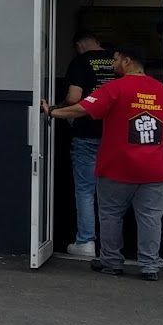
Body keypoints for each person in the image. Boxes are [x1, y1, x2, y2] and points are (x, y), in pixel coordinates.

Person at [41, 42, 163, 280]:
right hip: (153, 168)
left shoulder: (115, 88)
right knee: (150, 218)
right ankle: (149, 266)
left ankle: (112, 262)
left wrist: (52, 113)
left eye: (115, 60)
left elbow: (80, 108)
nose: (112, 64)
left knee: (111, 214)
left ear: (127, 61)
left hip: (118, 167)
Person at [48, 31, 115, 255]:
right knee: (113, 191)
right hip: (114, 133)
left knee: (86, 190)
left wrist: (58, 109)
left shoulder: (80, 61)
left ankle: (86, 242)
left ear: (78, 45)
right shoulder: (117, 61)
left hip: (87, 132)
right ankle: (112, 246)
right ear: (98, 40)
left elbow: (75, 97)